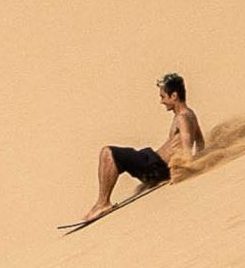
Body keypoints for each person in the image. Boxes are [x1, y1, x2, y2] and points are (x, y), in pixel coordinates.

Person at [81, 73, 204, 222]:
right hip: (153, 163)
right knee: (120, 156)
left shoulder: (182, 118)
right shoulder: (191, 114)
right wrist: (198, 160)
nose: (161, 101)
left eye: (163, 96)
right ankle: (101, 203)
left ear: (174, 96)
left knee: (107, 153)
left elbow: (186, 143)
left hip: (154, 166)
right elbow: (200, 142)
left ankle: (102, 203)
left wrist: (184, 169)